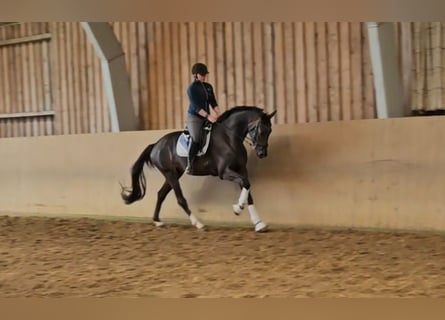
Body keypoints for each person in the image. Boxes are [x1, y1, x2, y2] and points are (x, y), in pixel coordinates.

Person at [185, 63, 221, 174]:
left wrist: (220, 113)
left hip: (206, 117)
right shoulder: (191, 89)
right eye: (202, 74)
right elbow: (196, 107)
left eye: (205, 74)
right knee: (196, 137)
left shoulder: (208, 87)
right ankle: (190, 164)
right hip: (195, 117)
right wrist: (208, 116)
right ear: (195, 75)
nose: (204, 76)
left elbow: (213, 102)